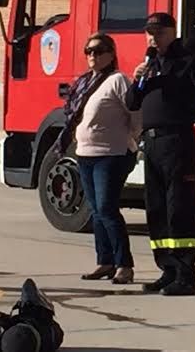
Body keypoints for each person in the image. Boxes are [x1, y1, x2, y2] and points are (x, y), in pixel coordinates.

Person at [126, 12, 195, 296]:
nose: (153, 37)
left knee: (179, 207)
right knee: (157, 209)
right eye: (149, 33)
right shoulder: (151, 64)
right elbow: (132, 102)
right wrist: (137, 78)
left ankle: (186, 275)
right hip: (152, 144)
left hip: (177, 142)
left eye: (159, 32)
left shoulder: (188, 60)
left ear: (172, 32)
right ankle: (167, 269)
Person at [56, 32, 142, 284]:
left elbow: (135, 114)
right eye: (88, 51)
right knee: (95, 210)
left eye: (99, 50)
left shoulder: (118, 81)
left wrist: (131, 140)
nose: (92, 55)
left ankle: (124, 264)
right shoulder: (84, 82)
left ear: (111, 54)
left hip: (111, 154)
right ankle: (104, 261)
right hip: (86, 154)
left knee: (106, 208)